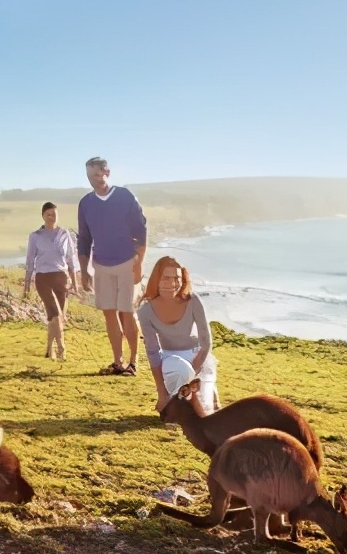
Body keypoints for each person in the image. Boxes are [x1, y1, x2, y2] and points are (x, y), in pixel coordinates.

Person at [77, 156, 147, 375]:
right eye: (91, 176)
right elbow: (84, 238)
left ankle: (133, 363)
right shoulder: (86, 203)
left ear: (107, 172)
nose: (96, 180)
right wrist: (84, 270)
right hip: (101, 264)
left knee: (127, 311)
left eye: (99, 174)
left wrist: (139, 264)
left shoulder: (125, 197)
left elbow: (141, 231)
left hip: (127, 262)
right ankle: (117, 362)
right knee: (109, 313)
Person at [137, 256, 219, 413]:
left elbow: (206, 342)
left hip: (199, 358)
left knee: (205, 413)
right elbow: (153, 352)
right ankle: (178, 399)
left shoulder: (193, 300)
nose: (172, 283)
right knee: (180, 371)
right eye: (166, 278)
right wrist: (162, 395)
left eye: (177, 278)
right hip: (171, 360)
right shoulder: (145, 310)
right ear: (156, 280)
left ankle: (207, 392)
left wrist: (191, 375)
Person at [23, 201, 79, 360]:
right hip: (43, 278)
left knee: (55, 318)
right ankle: (61, 347)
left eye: (54, 214)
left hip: (61, 279)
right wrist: (27, 283)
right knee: (56, 315)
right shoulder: (35, 236)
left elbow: (70, 260)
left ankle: (49, 349)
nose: (51, 217)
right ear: (42, 216)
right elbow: (30, 260)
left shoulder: (64, 234)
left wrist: (75, 283)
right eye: (48, 214)